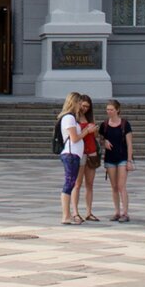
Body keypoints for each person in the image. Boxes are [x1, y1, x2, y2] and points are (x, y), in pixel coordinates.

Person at [100, 99, 136, 223]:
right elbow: (100, 138)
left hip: (122, 157)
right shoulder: (104, 124)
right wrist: (104, 141)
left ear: (117, 110)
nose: (109, 112)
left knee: (121, 186)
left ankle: (125, 212)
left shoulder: (125, 124)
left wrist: (129, 160)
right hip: (110, 158)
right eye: (107, 110)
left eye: (111, 110)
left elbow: (129, 143)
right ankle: (117, 211)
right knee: (114, 186)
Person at [57, 92, 88, 225]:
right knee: (69, 184)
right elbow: (74, 138)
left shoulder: (72, 118)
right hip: (70, 154)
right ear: (74, 103)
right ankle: (65, 215)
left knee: (71, 183)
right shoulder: (69, 118)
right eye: (79, 103)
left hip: (74, 154)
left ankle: (67, 214)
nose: (81, 106)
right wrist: (86, 132)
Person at [74, 96, 103, 221]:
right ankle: (75, 212)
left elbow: (96, 136)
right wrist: (87, 130)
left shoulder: (90, 117)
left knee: (89, 184)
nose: (85, 109)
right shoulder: (74, 118)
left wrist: (95, 130)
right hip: (80, 151)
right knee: (77, 183)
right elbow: (75, 136)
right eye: (83, 106)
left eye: (87, 107)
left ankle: (89, 212)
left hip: (91, 151)